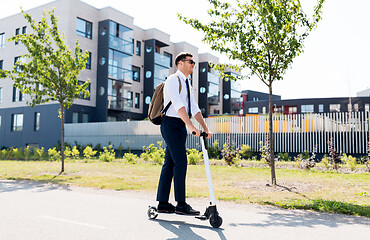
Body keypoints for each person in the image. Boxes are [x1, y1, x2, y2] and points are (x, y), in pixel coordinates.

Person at [156, 52, 212, 215]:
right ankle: (181, 204)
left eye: (194, 63)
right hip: (171, 124)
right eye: (191, 62)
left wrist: (205, 127)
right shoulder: (173, 80)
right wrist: (190, 125)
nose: (193, 65)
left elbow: (193, 107)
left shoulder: (187, 83)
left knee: (170, 163)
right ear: (180, 63)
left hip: (180, 124)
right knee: (181, 161)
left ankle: (163, 203)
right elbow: (178, 104)